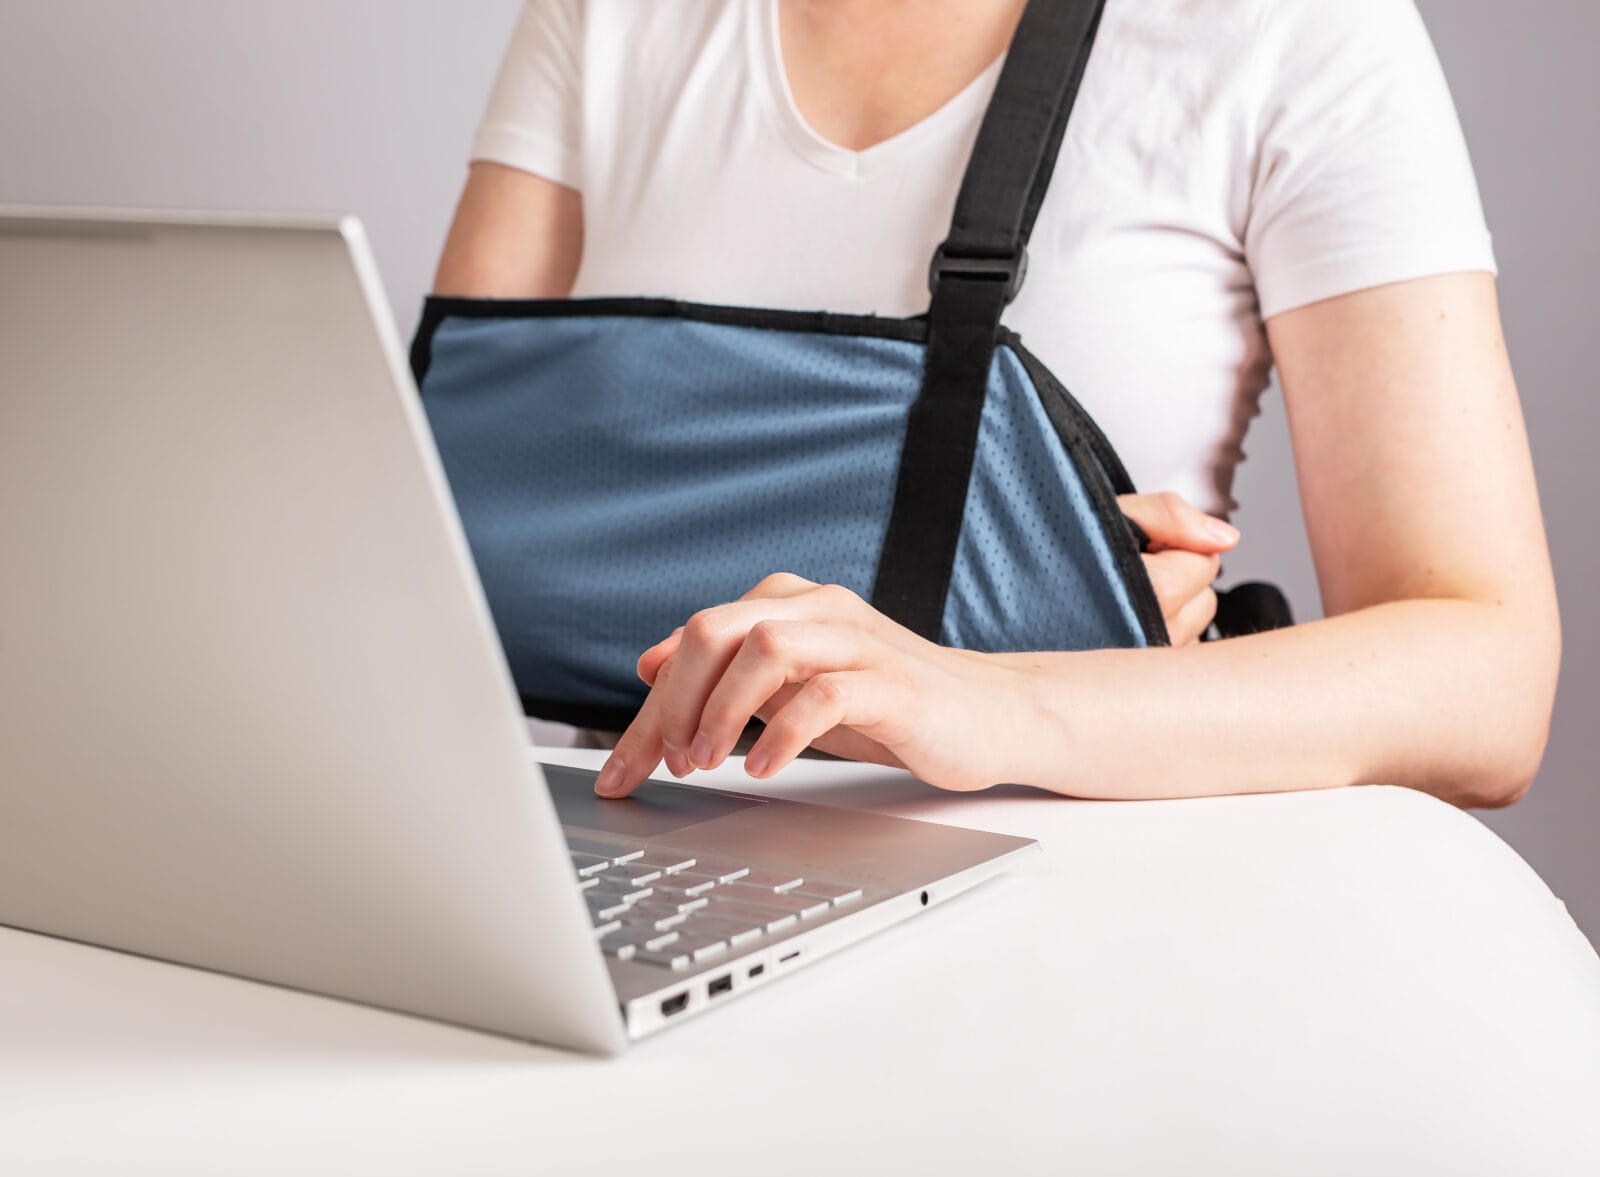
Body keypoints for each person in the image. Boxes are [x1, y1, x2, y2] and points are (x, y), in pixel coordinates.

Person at [432, 0, 1560, 807]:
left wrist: (1003, 690)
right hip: (655, 841)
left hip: (1069, 892)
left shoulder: (1290, 31)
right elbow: (435, 541)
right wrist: (1029, 590)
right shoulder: (603, 17)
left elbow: (1487, 680)